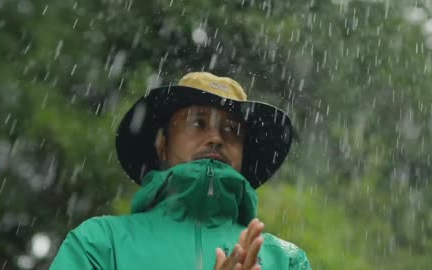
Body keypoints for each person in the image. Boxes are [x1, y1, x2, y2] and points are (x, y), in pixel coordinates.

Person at [50, 72, 311, 270]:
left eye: (231, 129)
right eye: (198, 122)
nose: (216, 138)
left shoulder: (286, 260)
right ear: (162, 144)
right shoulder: (101, 243)